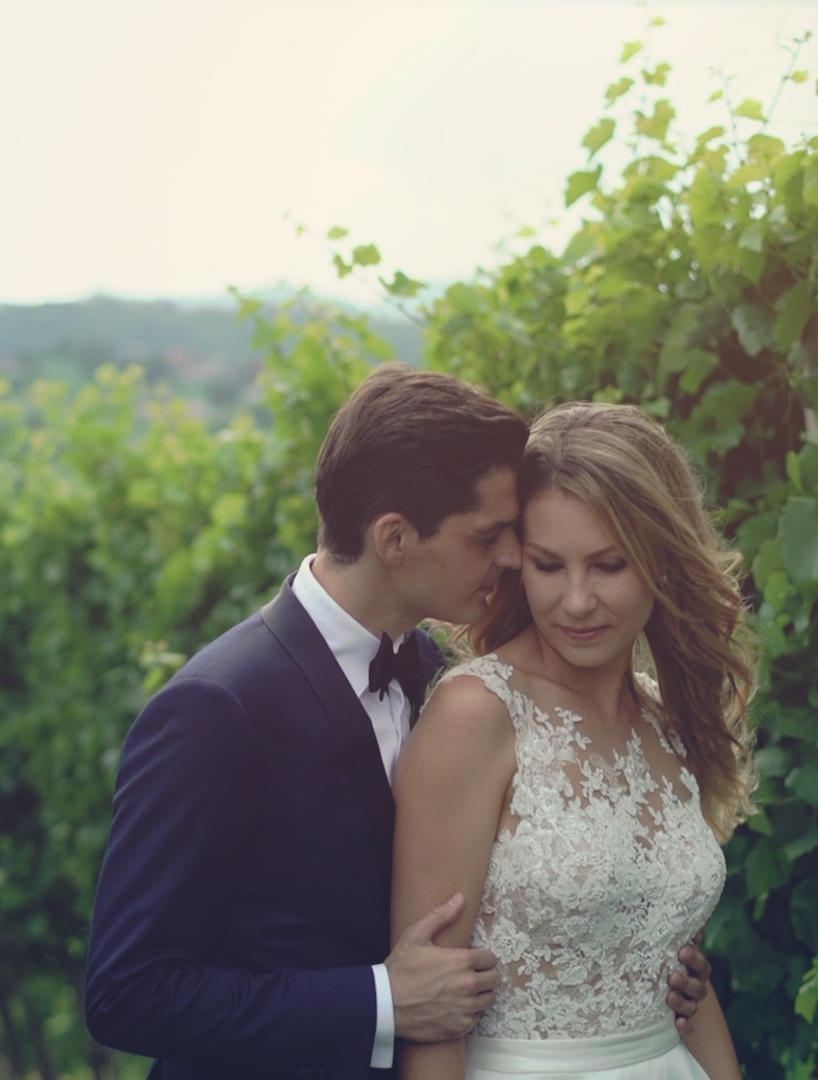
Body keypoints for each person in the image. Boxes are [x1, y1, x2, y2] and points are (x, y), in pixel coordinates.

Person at [85, 369, 713, 1079]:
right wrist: (380, 1001)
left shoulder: (436, 669)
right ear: (394, 538)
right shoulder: (218, 708)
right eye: (488, 537)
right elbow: (126, 994)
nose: (510, 558)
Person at [391, 402, 757, 1080]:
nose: (577, 601)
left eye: (610, 565)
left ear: (661, 562)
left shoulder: (671, 722)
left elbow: (679, 982)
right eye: (549, 565)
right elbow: (430, 1018)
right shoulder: (477, 714)